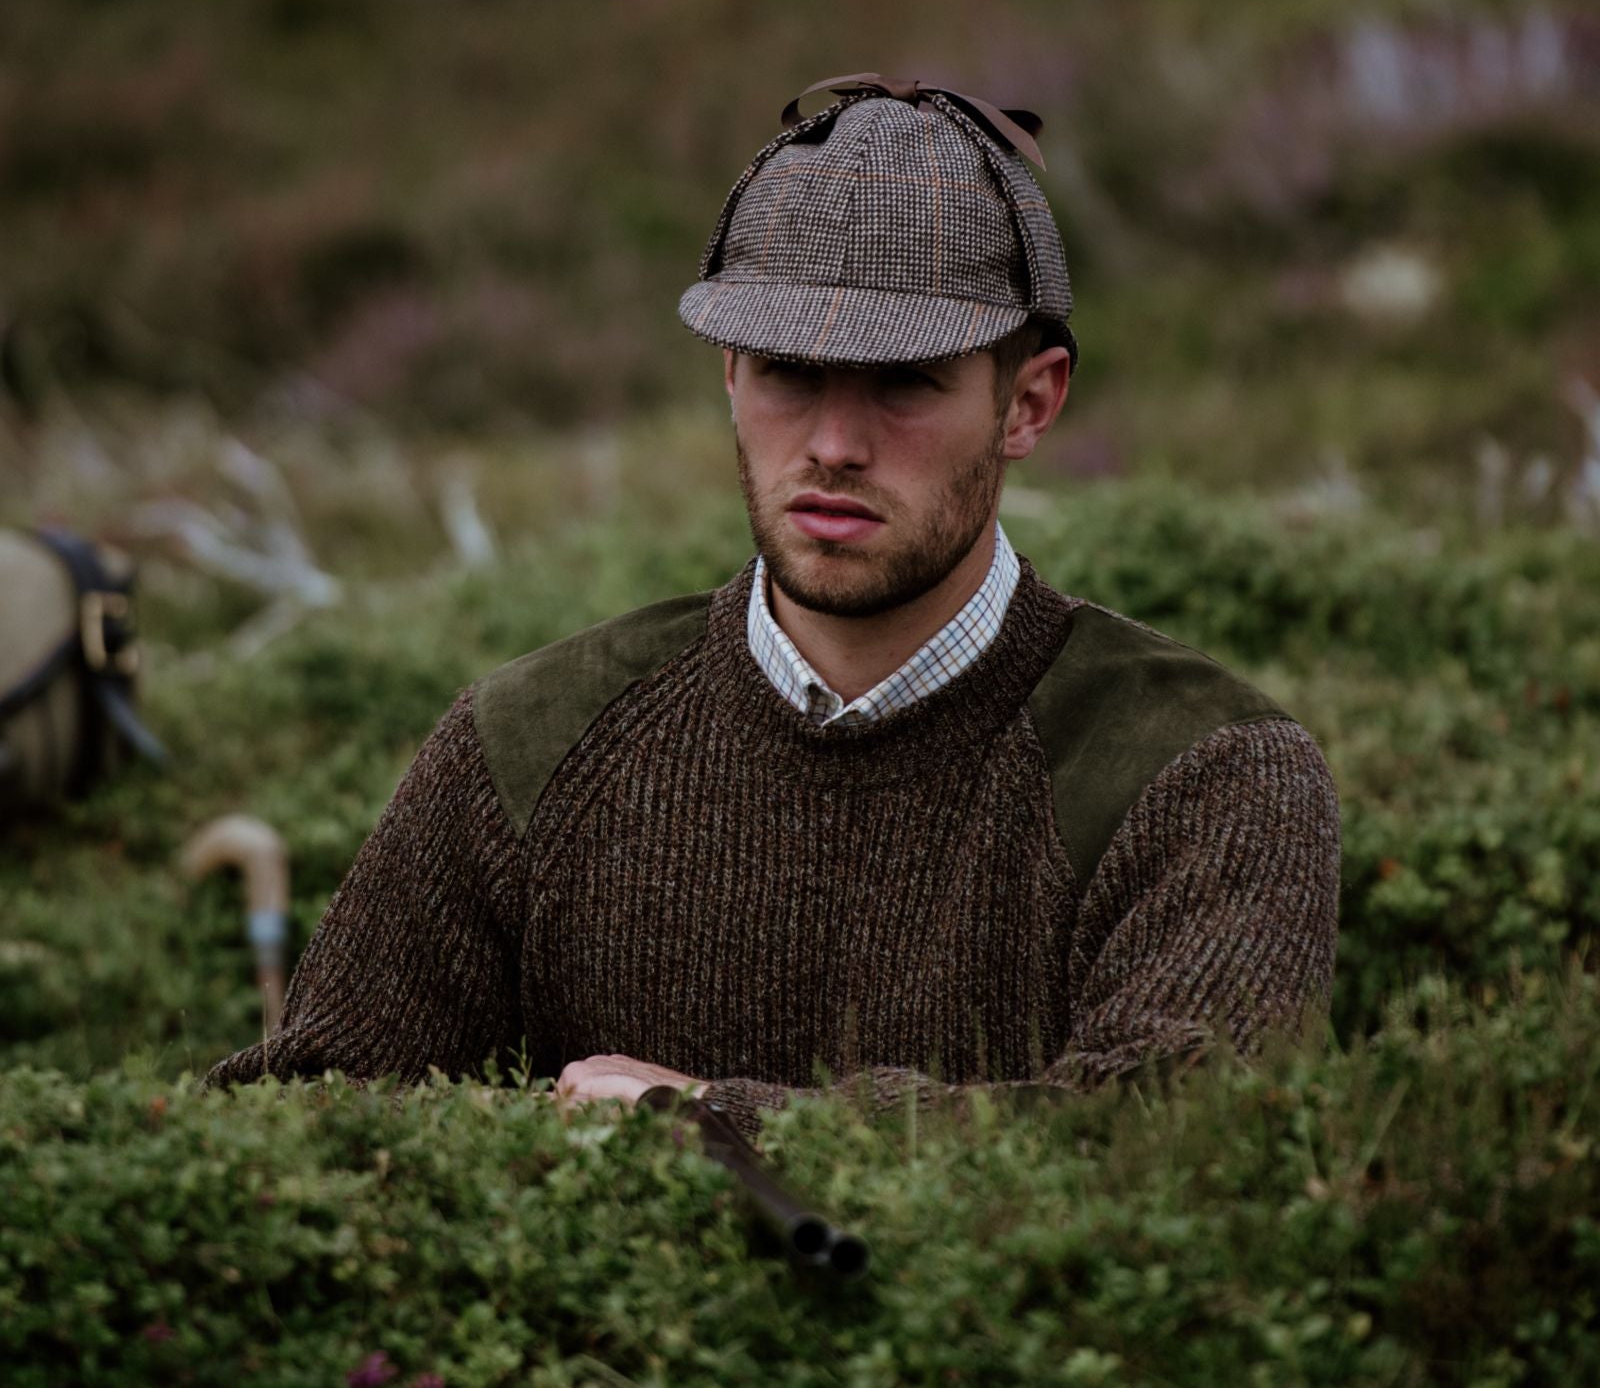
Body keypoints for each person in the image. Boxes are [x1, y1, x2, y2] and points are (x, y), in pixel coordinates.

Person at [206, 74, 1341, 1136]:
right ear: (729, 380)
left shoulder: (1204, 769)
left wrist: (709, 1119)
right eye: (788, 372)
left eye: (906, 382)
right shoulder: (527, 744)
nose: (835, 447)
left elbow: (1187, 1133)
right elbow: (311, 1122)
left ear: (1029, 402)